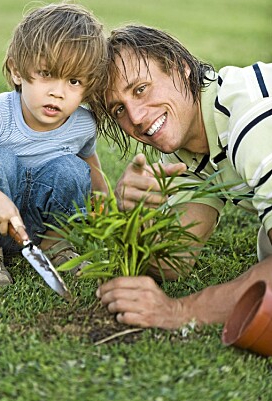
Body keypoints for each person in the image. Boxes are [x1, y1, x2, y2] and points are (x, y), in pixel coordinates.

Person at [92, 24, 272, 329]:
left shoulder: (252, 121)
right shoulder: (185, 152)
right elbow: (172, 260)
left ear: (180, 68)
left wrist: (179, 311)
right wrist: (137, 217)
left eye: (141, 89)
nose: (135, 117)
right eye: (119, 109)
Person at [0, 0, 108, 286]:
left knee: (73, 168)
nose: (58, 92)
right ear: (18, 72)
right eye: (46, 74)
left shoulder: (83, 123)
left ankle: (55, 246)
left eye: (74, 81)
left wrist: (102, 197)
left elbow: (90, 163)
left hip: (35, 227)